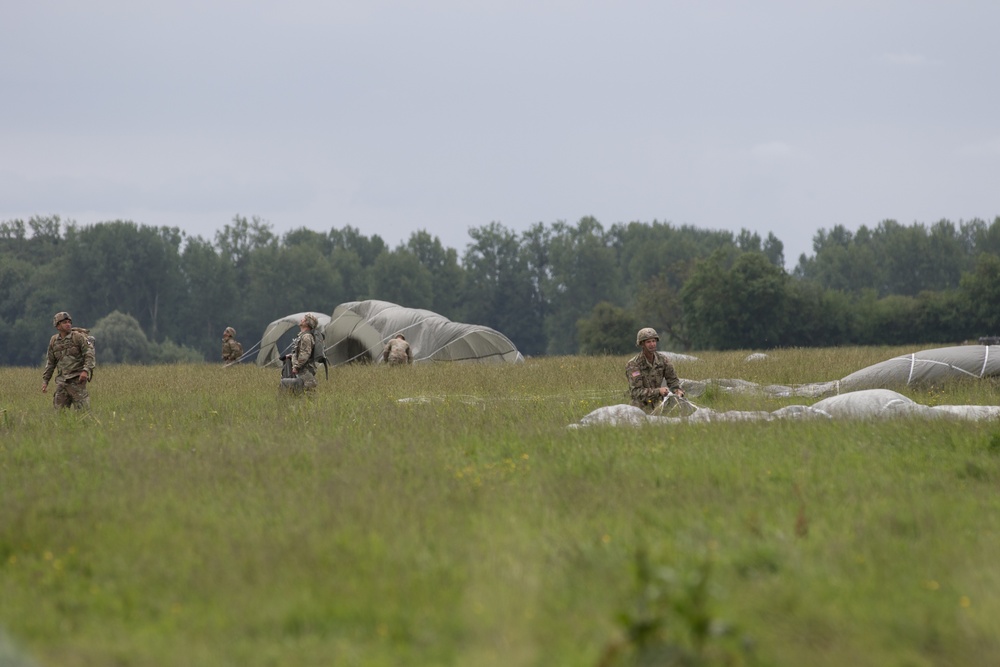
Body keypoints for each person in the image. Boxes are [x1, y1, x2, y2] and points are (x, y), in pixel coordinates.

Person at [42, 311, 96, 410]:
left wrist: (85, 371)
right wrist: (45, 381)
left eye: (69, 322)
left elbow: (89, 354)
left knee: (83, 413)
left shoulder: (78, 337)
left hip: (77, 381)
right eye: (64, 322)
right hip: (62, 383)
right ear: (58, 326)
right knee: (60, 415)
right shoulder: (54, 341)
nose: (68, 324)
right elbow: (50, 363)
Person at [626, 327, 684, 413]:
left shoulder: (663, 359)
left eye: (653, 341)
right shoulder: (633, 364)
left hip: (659, 404)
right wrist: (658, 391)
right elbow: (636, 392)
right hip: (639, 408)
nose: (652, 344)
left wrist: (677, 390)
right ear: (642, 344)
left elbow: (673, 380)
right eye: (648, 342)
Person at [280, 313, 319, 393]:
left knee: (307, 393)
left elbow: (305, 354)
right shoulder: (303, 336)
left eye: (304, 319)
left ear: (307, 323)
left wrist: (296, 367)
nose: (301, 319)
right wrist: (292, 356)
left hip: (304, 372)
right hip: (301, 371)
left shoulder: (306, 337)